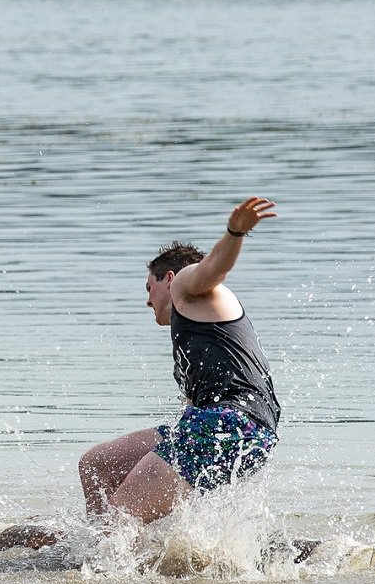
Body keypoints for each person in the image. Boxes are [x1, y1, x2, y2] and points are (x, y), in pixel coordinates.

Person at [79, 197, 280, 525]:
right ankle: (99, 547)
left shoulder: (186, 285)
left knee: (121, 517)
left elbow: (216, 265)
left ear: (169, 278)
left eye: (149, 287)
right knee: (97, 464)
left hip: (230, 427)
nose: (147, 300)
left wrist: (235, 232)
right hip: (217, 426)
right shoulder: (198, 322)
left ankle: (109, 557)